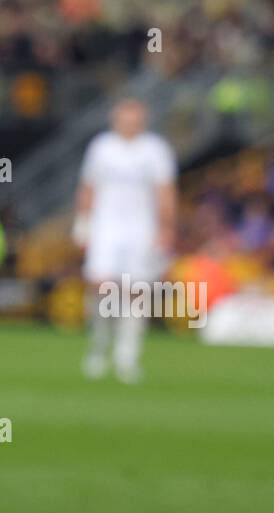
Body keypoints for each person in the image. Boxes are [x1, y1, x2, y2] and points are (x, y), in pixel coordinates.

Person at [74, 98, 176, 384]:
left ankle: (127, 355)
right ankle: (99, 345)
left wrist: (166, 227)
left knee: (135, 290)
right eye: (125, 119)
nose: (130, 124)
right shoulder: (101, 147)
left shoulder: (155, 150)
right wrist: (82, 221)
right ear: (115, 119)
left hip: (141, 228)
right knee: (102, 286)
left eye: (135, 119)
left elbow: (165, 190)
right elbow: (88, 186)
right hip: (105, 227)